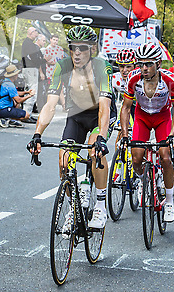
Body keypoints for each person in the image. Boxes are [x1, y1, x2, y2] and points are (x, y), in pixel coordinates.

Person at [28, 25, 116, 229]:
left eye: (82, 48)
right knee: (64, 160)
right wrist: (37, 134)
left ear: (92, 49)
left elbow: (104, 107)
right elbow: (50, 105)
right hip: (76, 116)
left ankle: (101, 206)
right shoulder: (63, 66)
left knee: (96, 151)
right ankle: (74, 209)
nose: (77, 53)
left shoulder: (102, 67)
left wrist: (101, 137)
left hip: (99, 115)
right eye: (73, 47)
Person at [120, 42, 174, 223]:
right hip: (142, 118)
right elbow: (125, 108)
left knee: (165, 156)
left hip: (163, 118)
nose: (144, 68)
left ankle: (169, 201)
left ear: (159, 64)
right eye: (141, 64)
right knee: (136, 158)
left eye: (148, 64)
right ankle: (142, 180)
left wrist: (171, 135)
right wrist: (125, 135)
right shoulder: (133, 78)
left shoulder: (169, 80)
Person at [21, 27, 42, 122]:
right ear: (31, 33)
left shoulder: (27, 43)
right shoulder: (29, 44)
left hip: (27, 69)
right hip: (31, 69)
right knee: (32, 92)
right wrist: (43, 60)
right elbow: (33, 57)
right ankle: (26, 115)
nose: (36, 34)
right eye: (35, 32)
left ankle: (27, 113)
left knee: (28, 90)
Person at [35, 34, 47, 111]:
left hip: (38, 72)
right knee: (38, 90)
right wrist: (41, 72)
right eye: (43, 41)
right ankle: (38, 107)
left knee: (39, 90)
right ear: (38, 40)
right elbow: (37, 62)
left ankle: (36, 107)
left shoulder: (37, 49)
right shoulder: (35, 48)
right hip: (37, 73)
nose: (44, 42)